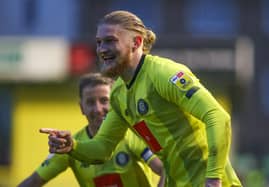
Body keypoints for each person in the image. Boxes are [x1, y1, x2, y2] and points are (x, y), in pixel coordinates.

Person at [41, 10, 242, 187]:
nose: (102, 49)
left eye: (110, 41)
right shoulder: (119, 93)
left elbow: (217, 116)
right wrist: (73, 146)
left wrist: (214, 179)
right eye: (99, 43)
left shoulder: (164, 74)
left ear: (136, 42)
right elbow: (102, 148)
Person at [18, 73, 165, 187]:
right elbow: (33, 182)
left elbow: (165, 169)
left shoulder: (132, 135)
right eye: (90, 102)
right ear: (81, 107)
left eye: (104, 100)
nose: (98, 109)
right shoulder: (71, 147)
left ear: (115, 102)